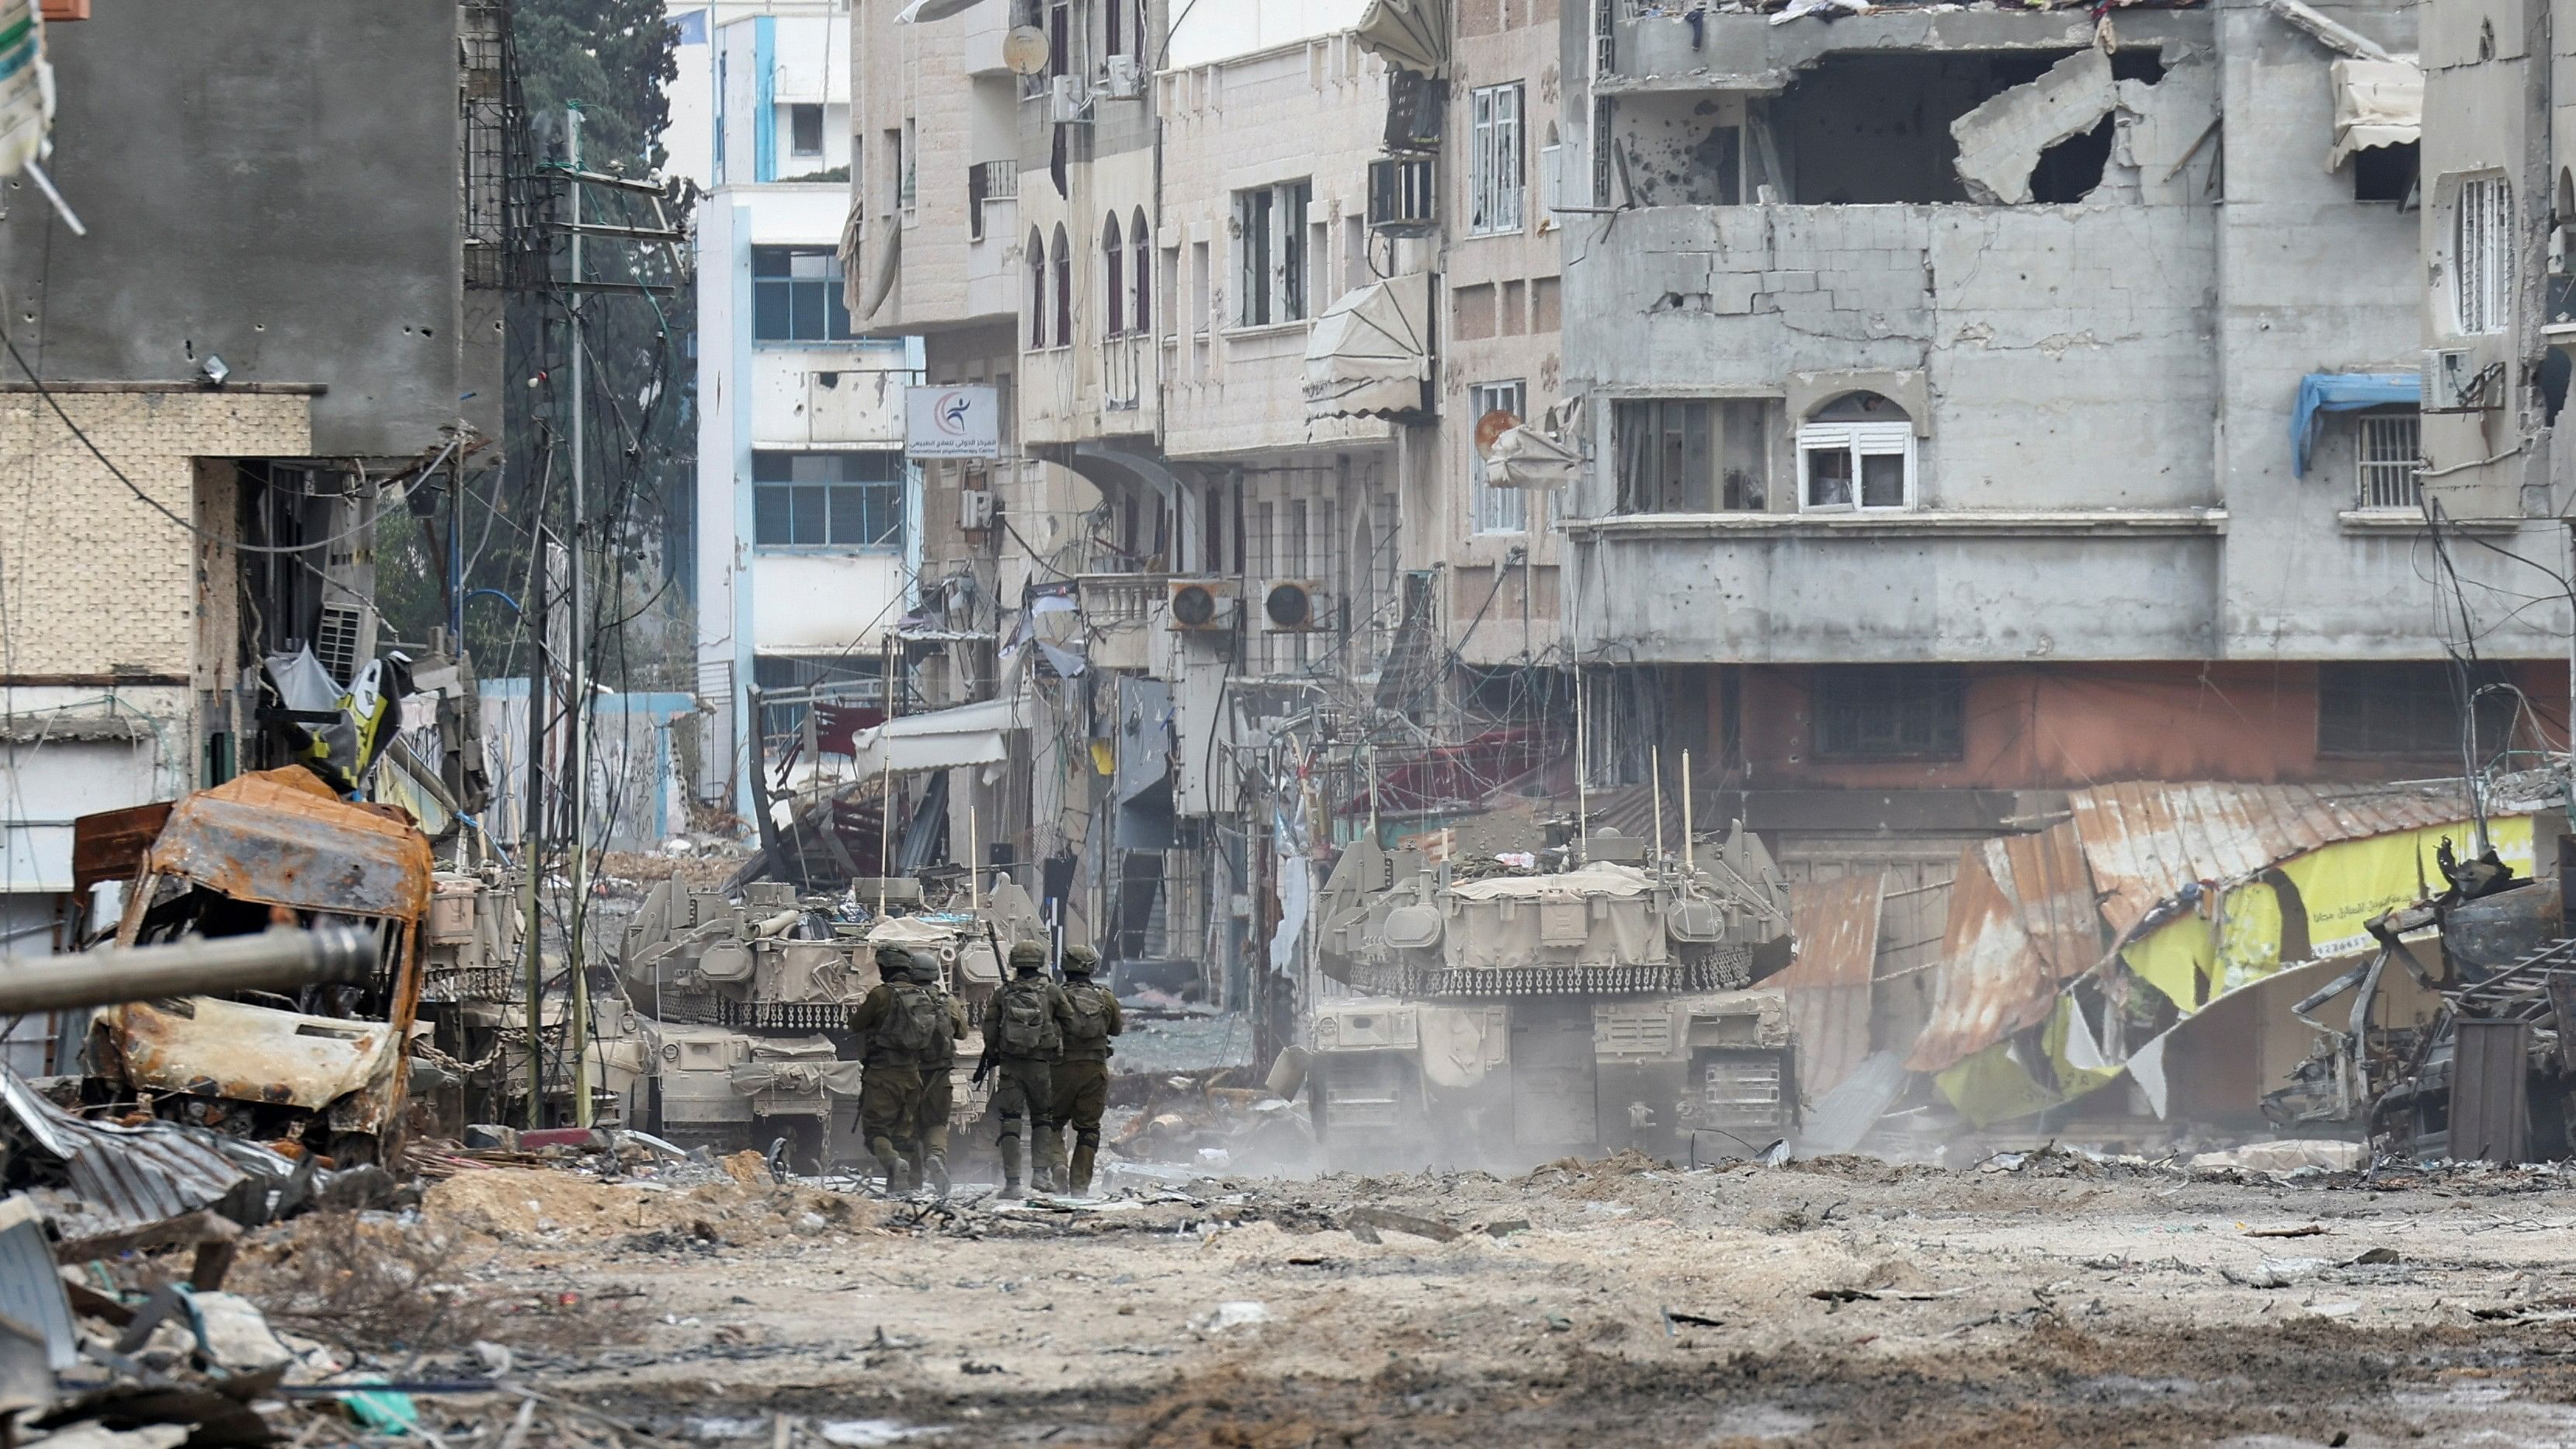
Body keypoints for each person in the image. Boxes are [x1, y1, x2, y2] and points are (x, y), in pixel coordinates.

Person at [974, 940, 1072, 1199]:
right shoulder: (1051, 991)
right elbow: (1070, 1020)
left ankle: (1013, 1183)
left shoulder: (1003, 993)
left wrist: (995, 1054)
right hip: (1041, 1066)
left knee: (1010, 1122)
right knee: (1042, 1120)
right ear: (1040, 963)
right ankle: (1041, 1175)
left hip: (1010, 1067)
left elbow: (990, 1029)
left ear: (1015, 963)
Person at [845, 943, 945, 1194]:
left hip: (882, 1074)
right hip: (913, 1076)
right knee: (905, 1137)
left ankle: (892, 1163)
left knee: (877, 1131)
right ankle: (906, 1188)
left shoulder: (881, 995)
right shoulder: (922, 997)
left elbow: (856, 1024)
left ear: (884, 968)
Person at [1042, 943, 1123, 1197]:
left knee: (1051, 1123)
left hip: (1060, 1068)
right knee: (1088, 1129)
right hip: (1094, 1070)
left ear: (1065, 967)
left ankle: (1057, 1165)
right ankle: (1079, 1187)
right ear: (1092, 968)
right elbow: (1116, 1030)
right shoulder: (1105, 997)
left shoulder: (1054, 995)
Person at [903, 950, 969, 1198]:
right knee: (937, 1123)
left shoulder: (902, 1001)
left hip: (908, 1075)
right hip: (940, 1076)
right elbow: (962, 1033)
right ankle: (935, 1156)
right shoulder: (947, 1001)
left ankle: (912, 1185)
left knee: (907, 1127)